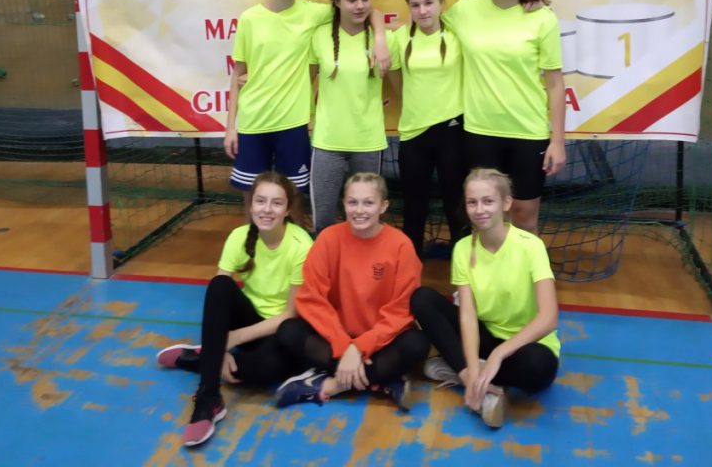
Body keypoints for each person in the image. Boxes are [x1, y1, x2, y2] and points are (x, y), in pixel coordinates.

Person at [224, 0, 390, 219]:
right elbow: (237, 75)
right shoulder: (249, 18)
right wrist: (231, 126)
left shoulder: (315, 14)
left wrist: (380, 39)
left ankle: (297, 245)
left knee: (294, 198)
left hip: (293, 121)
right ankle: (256, 244)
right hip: (253, 120)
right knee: (253, 197)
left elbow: (367, 9)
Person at [155, 171, 313, 447]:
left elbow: (291, 314)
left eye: (276, 203)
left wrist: (231, 340)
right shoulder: (238, 237)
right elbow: (219, 301)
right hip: (249, 319)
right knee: (219, 284)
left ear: (288, 209)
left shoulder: (301, 245)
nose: (267, 209)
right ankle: (208, 399)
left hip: (280, 330)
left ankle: (200, 358)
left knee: (256, 373)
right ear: (250, 204)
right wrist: (224, 345)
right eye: (260, 201)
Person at [410, 168, 560, 428]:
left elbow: (549, 318)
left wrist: (498, 355)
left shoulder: (530, 246)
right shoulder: (462, 249)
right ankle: (471, 378)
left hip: (523, 345)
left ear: (506, 203)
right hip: (485, 337)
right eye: (472, 202)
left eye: (488, 201)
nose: (479, 210)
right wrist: (471, 367)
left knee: (540, 368)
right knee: (422, 298)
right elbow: (467, 316)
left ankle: (471, 373)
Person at [273, 172, 430, 410]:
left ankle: (330, 385)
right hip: (337, 339)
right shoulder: (328, 238)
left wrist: (359, 348)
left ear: (383, 206)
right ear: (344, 203)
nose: (359, 210)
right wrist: (345, 346)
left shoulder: (401, 245)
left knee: (417, 344)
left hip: (381, 341)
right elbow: (311, 299)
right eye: (352, 202)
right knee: (288, 331)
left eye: (368, 203)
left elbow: (400, 311)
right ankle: (383, 380)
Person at [444, 0, 566, 233]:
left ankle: (525, 265)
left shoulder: (541, 18)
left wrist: (558, 141)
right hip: (480, 132)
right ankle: (483, 266)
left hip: (527, 132)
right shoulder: (464, 11)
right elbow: (422, 20)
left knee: (524, 216)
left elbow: (555, 84)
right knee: (483, 216)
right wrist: (381, 36)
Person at [386, 0, 468, 256]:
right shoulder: (398, 39)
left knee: (457, 204)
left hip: (452, 130)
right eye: (415, 5)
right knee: (414, 207)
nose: (422, 11)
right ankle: (410, 270)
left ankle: (463, 270)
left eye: (429, 3)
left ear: (442, 2)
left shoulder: (457, 33)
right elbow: (397, 82)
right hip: (413, 133)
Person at [308, 0, 390, 233]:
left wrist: (380, 37)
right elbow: (302, 81)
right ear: (336, 1)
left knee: (365, 220)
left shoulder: (384, 38)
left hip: (368, 142)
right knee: (323, 222)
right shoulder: (319, 36)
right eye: (352, 0)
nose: (360, 6)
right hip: (327, 142)